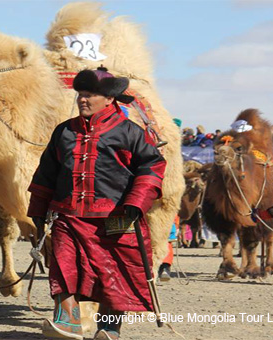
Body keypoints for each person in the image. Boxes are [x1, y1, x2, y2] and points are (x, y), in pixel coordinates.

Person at [28, 67, 166, 340]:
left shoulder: (130, 132)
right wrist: (38, 211)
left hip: (116, 216)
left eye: (89, 95)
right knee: (64, 266)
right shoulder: (64, 131)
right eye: (80, 94)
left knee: (113, 275)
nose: (82, 100)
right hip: (68, 216)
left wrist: (136, 203)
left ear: (109, 98)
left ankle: (110, 329)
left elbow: (152, 167)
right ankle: (67, 321)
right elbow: (46, 173)